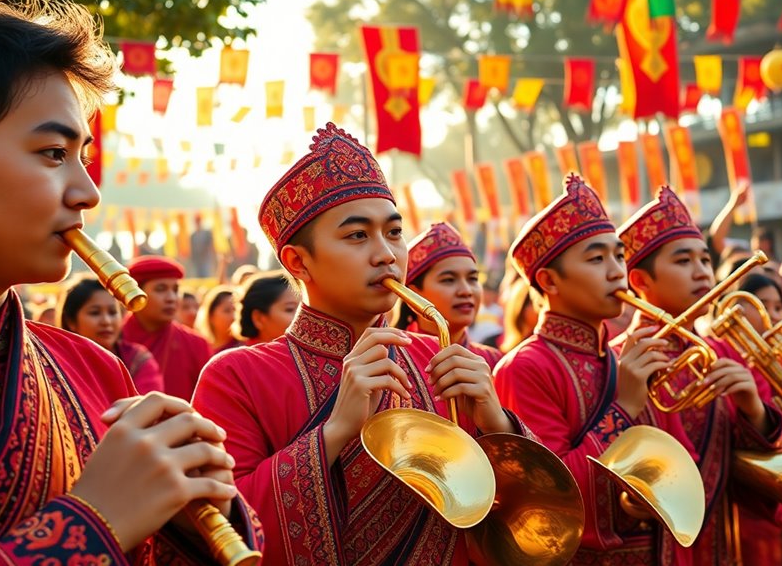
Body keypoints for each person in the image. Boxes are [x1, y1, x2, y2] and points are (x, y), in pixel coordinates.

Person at [0, 0, 261, 562]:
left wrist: (202, 515)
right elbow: (109, 525)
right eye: (52, 153)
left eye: (82, 156)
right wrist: (95, 520)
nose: (88, 192)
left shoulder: (93, 370)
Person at [191, 123, 531, 564]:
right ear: (298, 260)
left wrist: (497, 424)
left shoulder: (439, 362)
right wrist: (333, 433)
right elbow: (221, 528)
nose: (386, 254)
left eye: (394, 232)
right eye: (357, 235)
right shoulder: (236, 376)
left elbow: (524, 526)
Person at [493, 176, 696, 564]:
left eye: (619, 255)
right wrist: (623, 408)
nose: (616, 270)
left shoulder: (626, 357)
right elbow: (550, 499)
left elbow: (679, 472)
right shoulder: (525, 367)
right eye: (596, 258)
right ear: (549, 280)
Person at [615, 186, 782, 565]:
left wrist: (754, 409)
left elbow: (765, 466)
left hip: (717, 547)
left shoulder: (724, 352)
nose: (702, 272)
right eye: (683, 261)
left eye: (706, 260)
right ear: (640, 281)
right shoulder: (616, 360)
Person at [393, 222, 502, 367]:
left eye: (473, 279)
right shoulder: (391, 359)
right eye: (449, 280)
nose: (466, 291)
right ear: (413, 293)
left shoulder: (494, 361)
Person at [121, 256, 212, 399]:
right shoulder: (114, 342)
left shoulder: (196, 344)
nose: (171, 298)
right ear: (136, 293)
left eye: (175, 290)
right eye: (160, 289)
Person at [58, 275, 163, 393]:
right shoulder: (58, 363)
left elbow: (149, 405)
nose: (106, 321)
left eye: (112, 312)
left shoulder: (135, 359)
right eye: (95, 313)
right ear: (71, 321)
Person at [235, 270, 300, 345]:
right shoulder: (239, 356)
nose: (302, 315)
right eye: (290, 309)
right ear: (258, 318)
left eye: (302, 307)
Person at [195, 285, 240, 354]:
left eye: (236, 310)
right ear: (210, 316)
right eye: (227, 310)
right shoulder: (199, 349)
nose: (234, 316)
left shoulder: (245, 347)